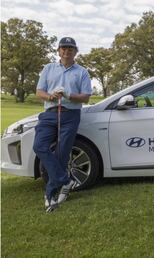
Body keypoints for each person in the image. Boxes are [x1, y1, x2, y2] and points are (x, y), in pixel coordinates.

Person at [33, 37, 92, 212]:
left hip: (70, 115)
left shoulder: (82, 72)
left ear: (75, 51)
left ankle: (50, 194)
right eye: (64, 48)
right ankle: (66, 180)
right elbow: (39, 91)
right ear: (58, 51)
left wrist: (68, 95)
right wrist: (50, 96)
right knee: (39, 146)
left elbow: (86, 96)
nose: (67, 51)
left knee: (61, 154)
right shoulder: (48, 68)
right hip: (50, 113)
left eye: (70, 48)